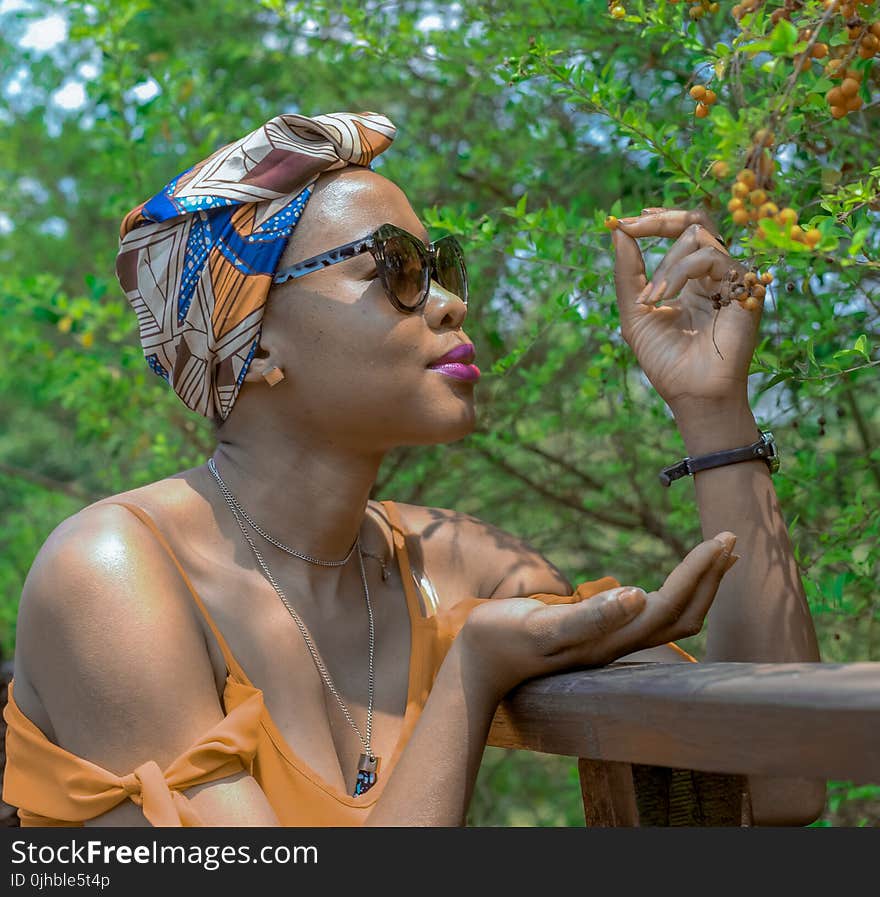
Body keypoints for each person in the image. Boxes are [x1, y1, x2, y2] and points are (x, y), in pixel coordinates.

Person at [3, 111, 823, 827]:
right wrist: (472, 673)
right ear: (253, 348)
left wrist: (714, 411)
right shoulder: (112, 575)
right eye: (393, 268)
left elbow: (781, 779)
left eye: (442, 266)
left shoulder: (451, 564)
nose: (449, 302)